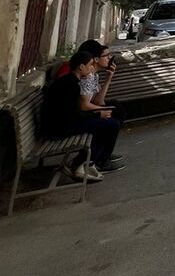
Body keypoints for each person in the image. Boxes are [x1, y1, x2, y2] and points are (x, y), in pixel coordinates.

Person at [41, 49, 124, 181]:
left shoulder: (71, 81)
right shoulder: (71, 84)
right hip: (58, 129)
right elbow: (73, 115)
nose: (92, 68)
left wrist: (98, 114)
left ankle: (88, 161)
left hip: (61, 123)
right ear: (81, 67)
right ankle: (89, 163)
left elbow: (74, 112)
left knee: (107, 122)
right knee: (111, 124)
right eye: (90, 65)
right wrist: (98, 115)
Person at [78, 41, 127, 136]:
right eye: (106, 56)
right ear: (96, 59)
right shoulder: (87, 77)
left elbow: (99, 101)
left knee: (117, 108)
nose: (109, 58)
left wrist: (108, 78)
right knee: (113, 122)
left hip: (86, 112)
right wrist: (103, 109)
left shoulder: (94, 75)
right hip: (79, 117)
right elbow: (84, 105)